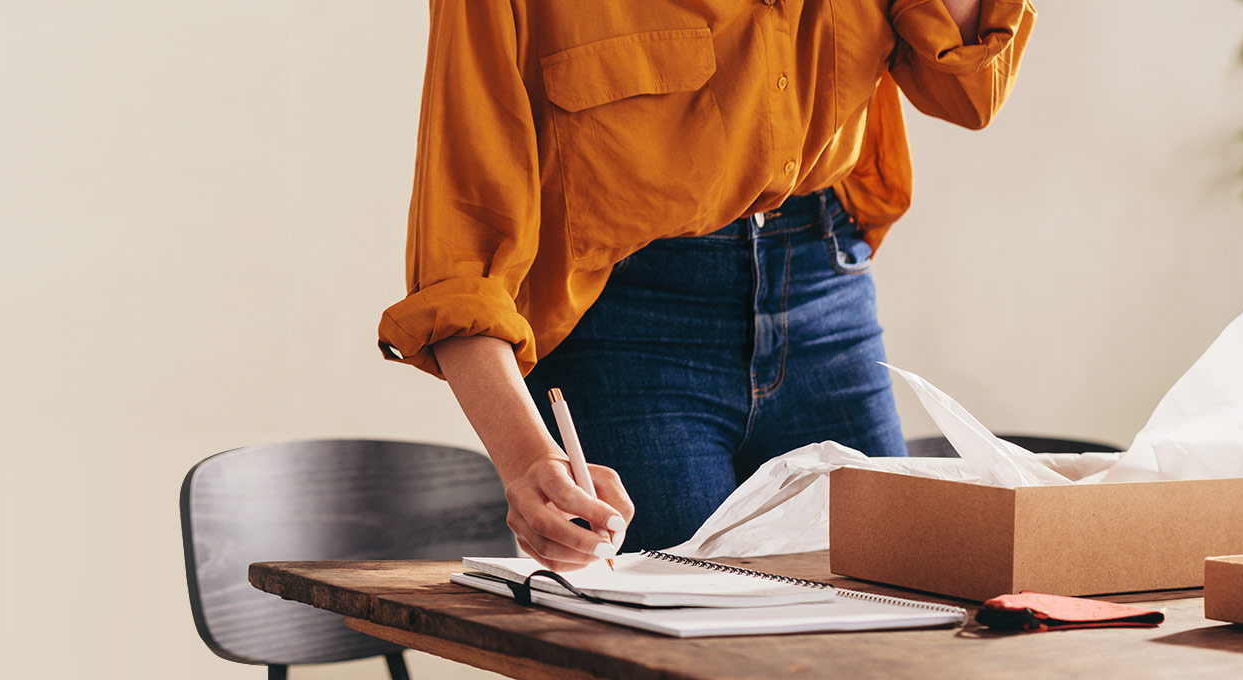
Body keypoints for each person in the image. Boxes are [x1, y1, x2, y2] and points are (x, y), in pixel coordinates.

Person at [375, 0, 1036, 570]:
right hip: (629, 331)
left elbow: (966, 86)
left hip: (823, 287)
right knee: (680, 651)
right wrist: (525, 462)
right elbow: (463, 244)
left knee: (902, 632)